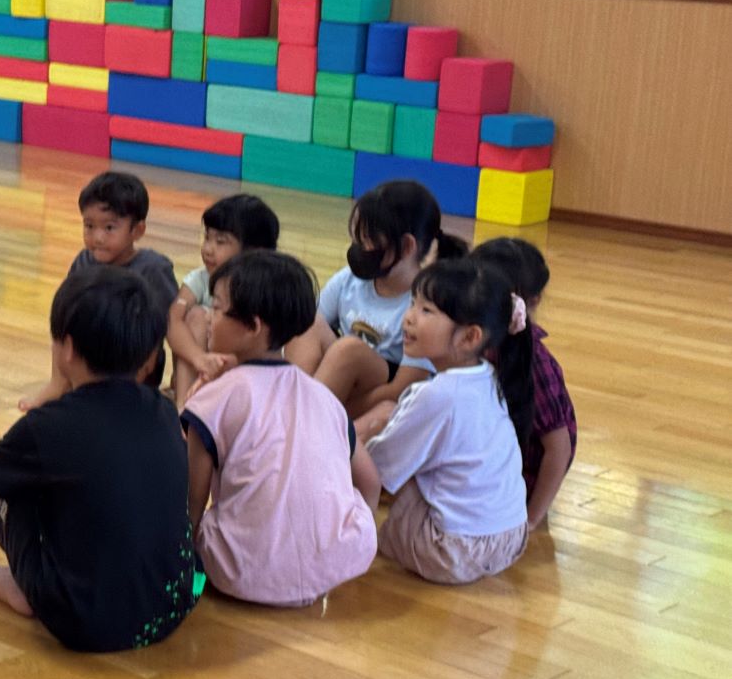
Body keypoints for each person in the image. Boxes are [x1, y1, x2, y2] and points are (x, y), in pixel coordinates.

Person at [0, 268, 202, 652]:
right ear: (148, 357)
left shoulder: (47, 426)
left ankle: (23, 588)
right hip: (175, 602)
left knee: (14, 483)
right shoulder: (162, 408)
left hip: (84, 624)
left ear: (67, 349)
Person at [182, 252, 378, 606]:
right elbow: (370, 483)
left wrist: (187, 572)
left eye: (218, 308)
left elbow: (191, 505)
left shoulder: (213, 399)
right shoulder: (324, 397)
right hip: (337, 568)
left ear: (253, 327)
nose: (209, 317)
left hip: (239, 575)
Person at [366, 257, 533, 584]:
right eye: (412, 304)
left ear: (470, 337)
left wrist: (358, 439)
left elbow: (378, 468)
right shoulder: (488, 375)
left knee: (379, 433)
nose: (409, 317)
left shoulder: (438, 396)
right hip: (509, 538)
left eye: (426, 311)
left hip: (451, 550)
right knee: (394, 424)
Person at [288, 181, 464, 419]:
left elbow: (401, 390)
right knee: (306, 322)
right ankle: (295, 409)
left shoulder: (425, 306)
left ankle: (303, 419)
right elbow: (309, 328)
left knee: (348, 350)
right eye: (357, 238)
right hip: (336, 385)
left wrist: (339, 407)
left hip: (380, 397)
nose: (359, 248)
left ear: (406, 247)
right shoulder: (349, 280)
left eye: (368, 240)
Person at [20, 171, 177, 410]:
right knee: (65, 324)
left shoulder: (153, 268)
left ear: (137, 230)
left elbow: (171, 326)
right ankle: (58, 384)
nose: (97, 237)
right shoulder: (84, 261)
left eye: (109, 227)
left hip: (134, 362)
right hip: (91, 358)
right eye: (89, 226)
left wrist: (177, 382)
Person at [469, 237, 575, 530]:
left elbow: (559, 449)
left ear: (532, 301)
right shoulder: (476, 337)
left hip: (517, 478)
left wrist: (531, 518)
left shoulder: (534, 364)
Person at [169, 193, 280, 406]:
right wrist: (198, 358)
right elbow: (173, 320)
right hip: (203, 368)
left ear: (253, 251)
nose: (207, 249)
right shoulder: (201, 278)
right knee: (196, 316)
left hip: (246, 375)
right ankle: (183, 407)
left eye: (220, 241)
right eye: (207, 238)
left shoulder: (268, 289)